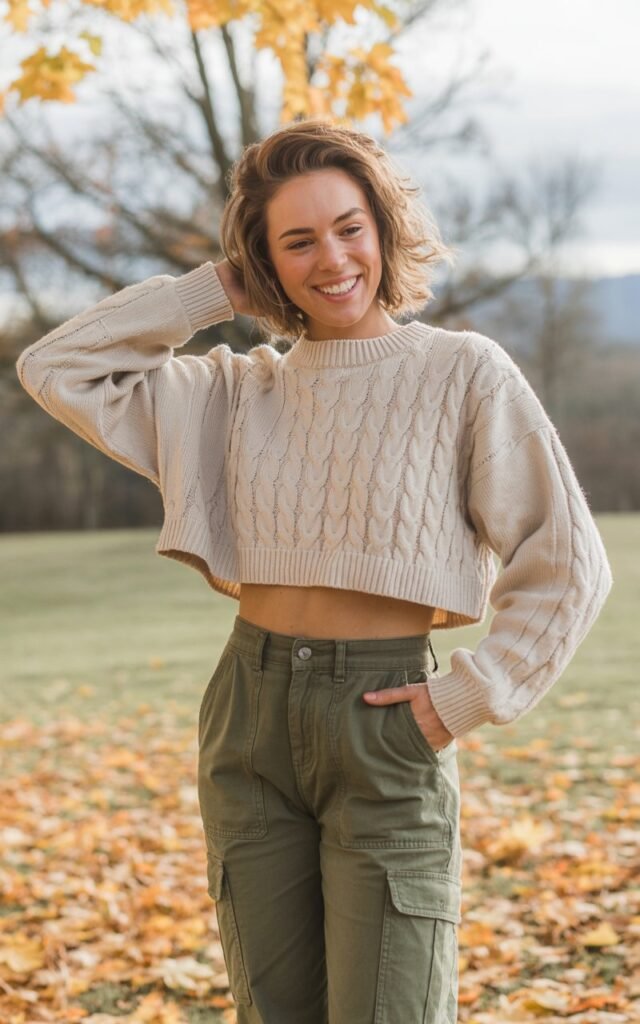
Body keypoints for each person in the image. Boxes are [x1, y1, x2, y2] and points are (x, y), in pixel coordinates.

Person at [16, 118, 613, 1024]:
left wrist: (468, 696)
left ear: (383, 230)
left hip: (385, 726)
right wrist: (209, 292)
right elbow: (55, 367)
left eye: (348, 227)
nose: (331, 258)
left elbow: (570, 563)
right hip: (249, 720)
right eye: (296, 241)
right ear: (264, 263)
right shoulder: (229, 393)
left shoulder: (463, 373)